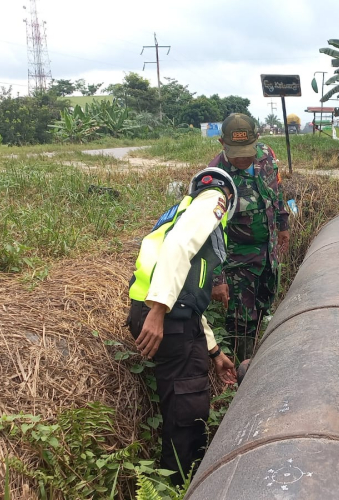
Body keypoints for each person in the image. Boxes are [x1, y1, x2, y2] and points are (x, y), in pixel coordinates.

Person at [125, 167, 238, 486]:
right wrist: (159, 311)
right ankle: (181, 485)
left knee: (179, 402)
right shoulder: (214, 199)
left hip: (167, 314)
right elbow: (178, 246)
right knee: (188, 410)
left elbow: (188, 301)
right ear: (227, 197)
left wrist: (214, 353)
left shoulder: (182, 211)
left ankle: (177, 478)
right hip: (162, 315)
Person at [208, 113, 290, 362]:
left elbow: (276, 190)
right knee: (241, 321)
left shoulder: (267, 155)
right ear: (223, 143)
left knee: (265, 306)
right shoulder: (216, 176)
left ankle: (262, 358)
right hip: (237, 261)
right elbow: (209, 230)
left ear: (257, 140)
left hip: (268, 253)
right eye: (237, 152)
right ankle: (242, 374)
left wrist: (282, 223)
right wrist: (218, 279)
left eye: (248, 150)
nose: (244, 157)